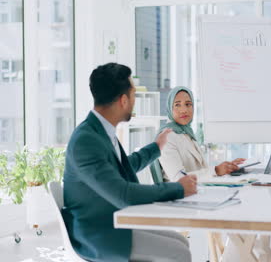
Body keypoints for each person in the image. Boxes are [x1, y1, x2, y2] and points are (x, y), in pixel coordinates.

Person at [62, 63, 198, 262]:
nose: (135, 101)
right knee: (180, 252)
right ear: (124, 100)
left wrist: (156, 147)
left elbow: (126, 166)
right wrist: (177, 189)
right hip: (99, 233)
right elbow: (124, 193)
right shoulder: (86, 140)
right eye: (134, 95)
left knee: (182, 242)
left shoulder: (101, 131)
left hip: (114, 222)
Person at [158, 86, 245, 181]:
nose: (184, 110)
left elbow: (201, 170)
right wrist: (216, 171)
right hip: (180, 194)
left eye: (188, 104)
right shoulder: (166, 138)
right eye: (177, 105)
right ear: (170, 107)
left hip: (199, 189)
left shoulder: (186, 132)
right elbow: (178, 178)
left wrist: (227, 167)